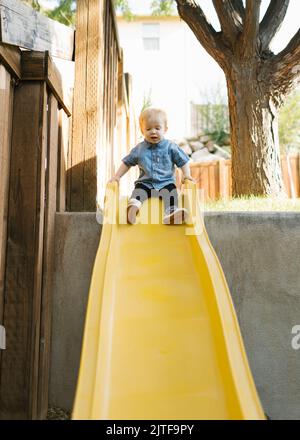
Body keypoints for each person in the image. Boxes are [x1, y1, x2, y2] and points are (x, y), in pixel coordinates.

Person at [109, 107, 194, 224]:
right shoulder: (139, 149)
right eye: (148, 128)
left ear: (165, 129)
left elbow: (183, 161)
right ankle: (132, 209)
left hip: (166, 184)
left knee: (171, 194)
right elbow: (127, 162)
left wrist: (186, 174)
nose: (153, 131)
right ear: (142, 130)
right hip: (145, 184)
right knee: (138, 193)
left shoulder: (171, 147)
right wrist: (117, 176)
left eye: (157, 128)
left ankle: (171, 214)